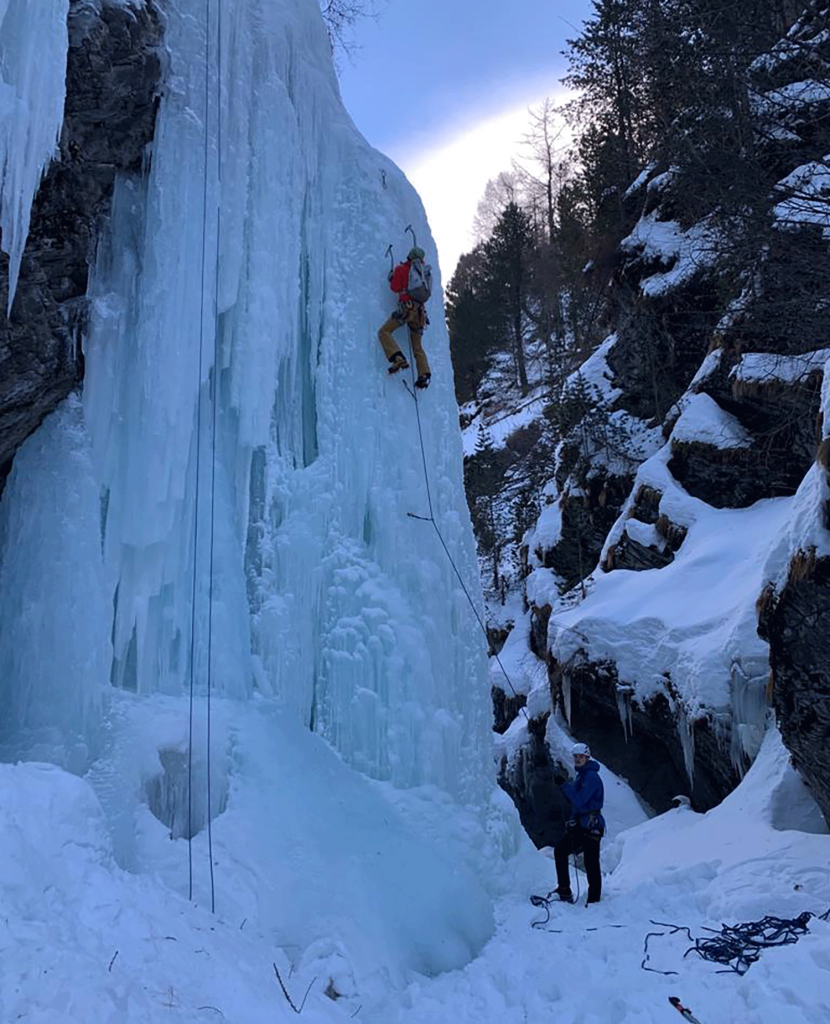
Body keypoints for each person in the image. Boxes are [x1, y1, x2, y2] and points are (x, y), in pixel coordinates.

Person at [552, 742, 605, 905]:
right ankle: (564, 890)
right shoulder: (583, 775)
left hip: (592, 827)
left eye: (580, 757)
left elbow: (580, 801)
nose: (577, 760)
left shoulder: (591, 777)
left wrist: (563, 785)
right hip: (583, 825)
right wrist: (573, 820)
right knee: (561, 851)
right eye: (575, 757)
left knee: (591, 862)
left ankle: (594, 899)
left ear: (587, 758)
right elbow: (578, 804)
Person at [377, 246, 432, 389]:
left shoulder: (402, 269)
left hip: (407, 309)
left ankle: (398, 358)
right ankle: (424, 375)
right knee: (417, 347)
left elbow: (395, 288)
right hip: (420, 314)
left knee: (384, 331)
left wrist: (392, 277)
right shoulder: (424, 274)